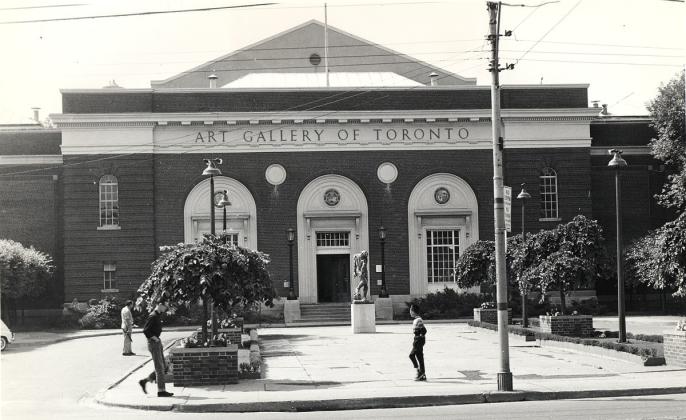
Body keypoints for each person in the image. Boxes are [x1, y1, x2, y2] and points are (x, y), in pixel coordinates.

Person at [138, 302, 174, 397]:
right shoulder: (153, 316)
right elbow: (146, 330)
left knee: (164, 366)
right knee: (159, 368)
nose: (166, 308)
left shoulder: (158, 315)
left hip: (157, 342)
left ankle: (145, 381)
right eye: (165, 306)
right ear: (160, 305)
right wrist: (155, 338)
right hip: (154, 343)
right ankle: (161, 391)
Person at [408, 305, 427, 381]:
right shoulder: (417, 319)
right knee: (419, 357)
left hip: (418, 340)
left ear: (413, 311)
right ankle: (422, 374)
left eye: (410, 310)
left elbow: (424, 330)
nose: (410, 312)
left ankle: (419, 371)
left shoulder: (418, 320)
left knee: (412, 355)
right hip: (418, 339)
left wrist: (420, 337)